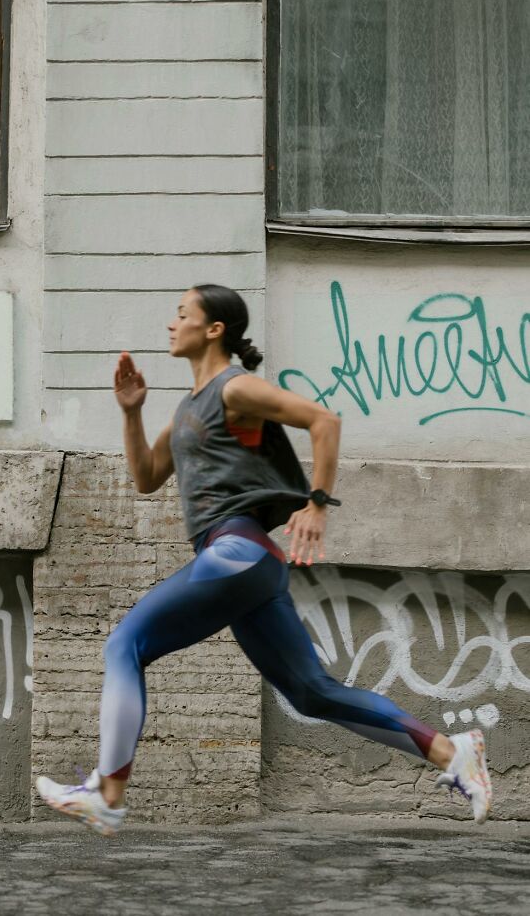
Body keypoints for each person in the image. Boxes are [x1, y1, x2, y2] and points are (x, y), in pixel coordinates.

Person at [36, 284, 492, 835]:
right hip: (249, 565)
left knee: (124, 644)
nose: (170, 324)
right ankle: (453, 752)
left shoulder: (235, 389)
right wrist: (130, 413)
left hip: (237, 552)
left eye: (182, 315)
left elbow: (325, 422)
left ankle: (107, 793)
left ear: (213, 330)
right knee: (310, 691)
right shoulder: (186, 410)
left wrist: (317, 505)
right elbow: (146, 478)